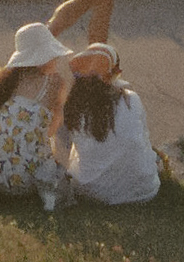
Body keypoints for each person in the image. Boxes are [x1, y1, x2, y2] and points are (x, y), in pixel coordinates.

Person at [0, 20, 71, 197]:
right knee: (58, 175)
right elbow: (52, 129)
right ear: (43, 57)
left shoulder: (3, 80)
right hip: (21, 179)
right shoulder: (55, 83)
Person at [56, 42, 161, 205]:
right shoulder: (131, 99)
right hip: (144, 191)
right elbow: (144, 139)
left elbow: (68, 152)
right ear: (116, 74)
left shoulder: (73, 104)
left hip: (91, 192)